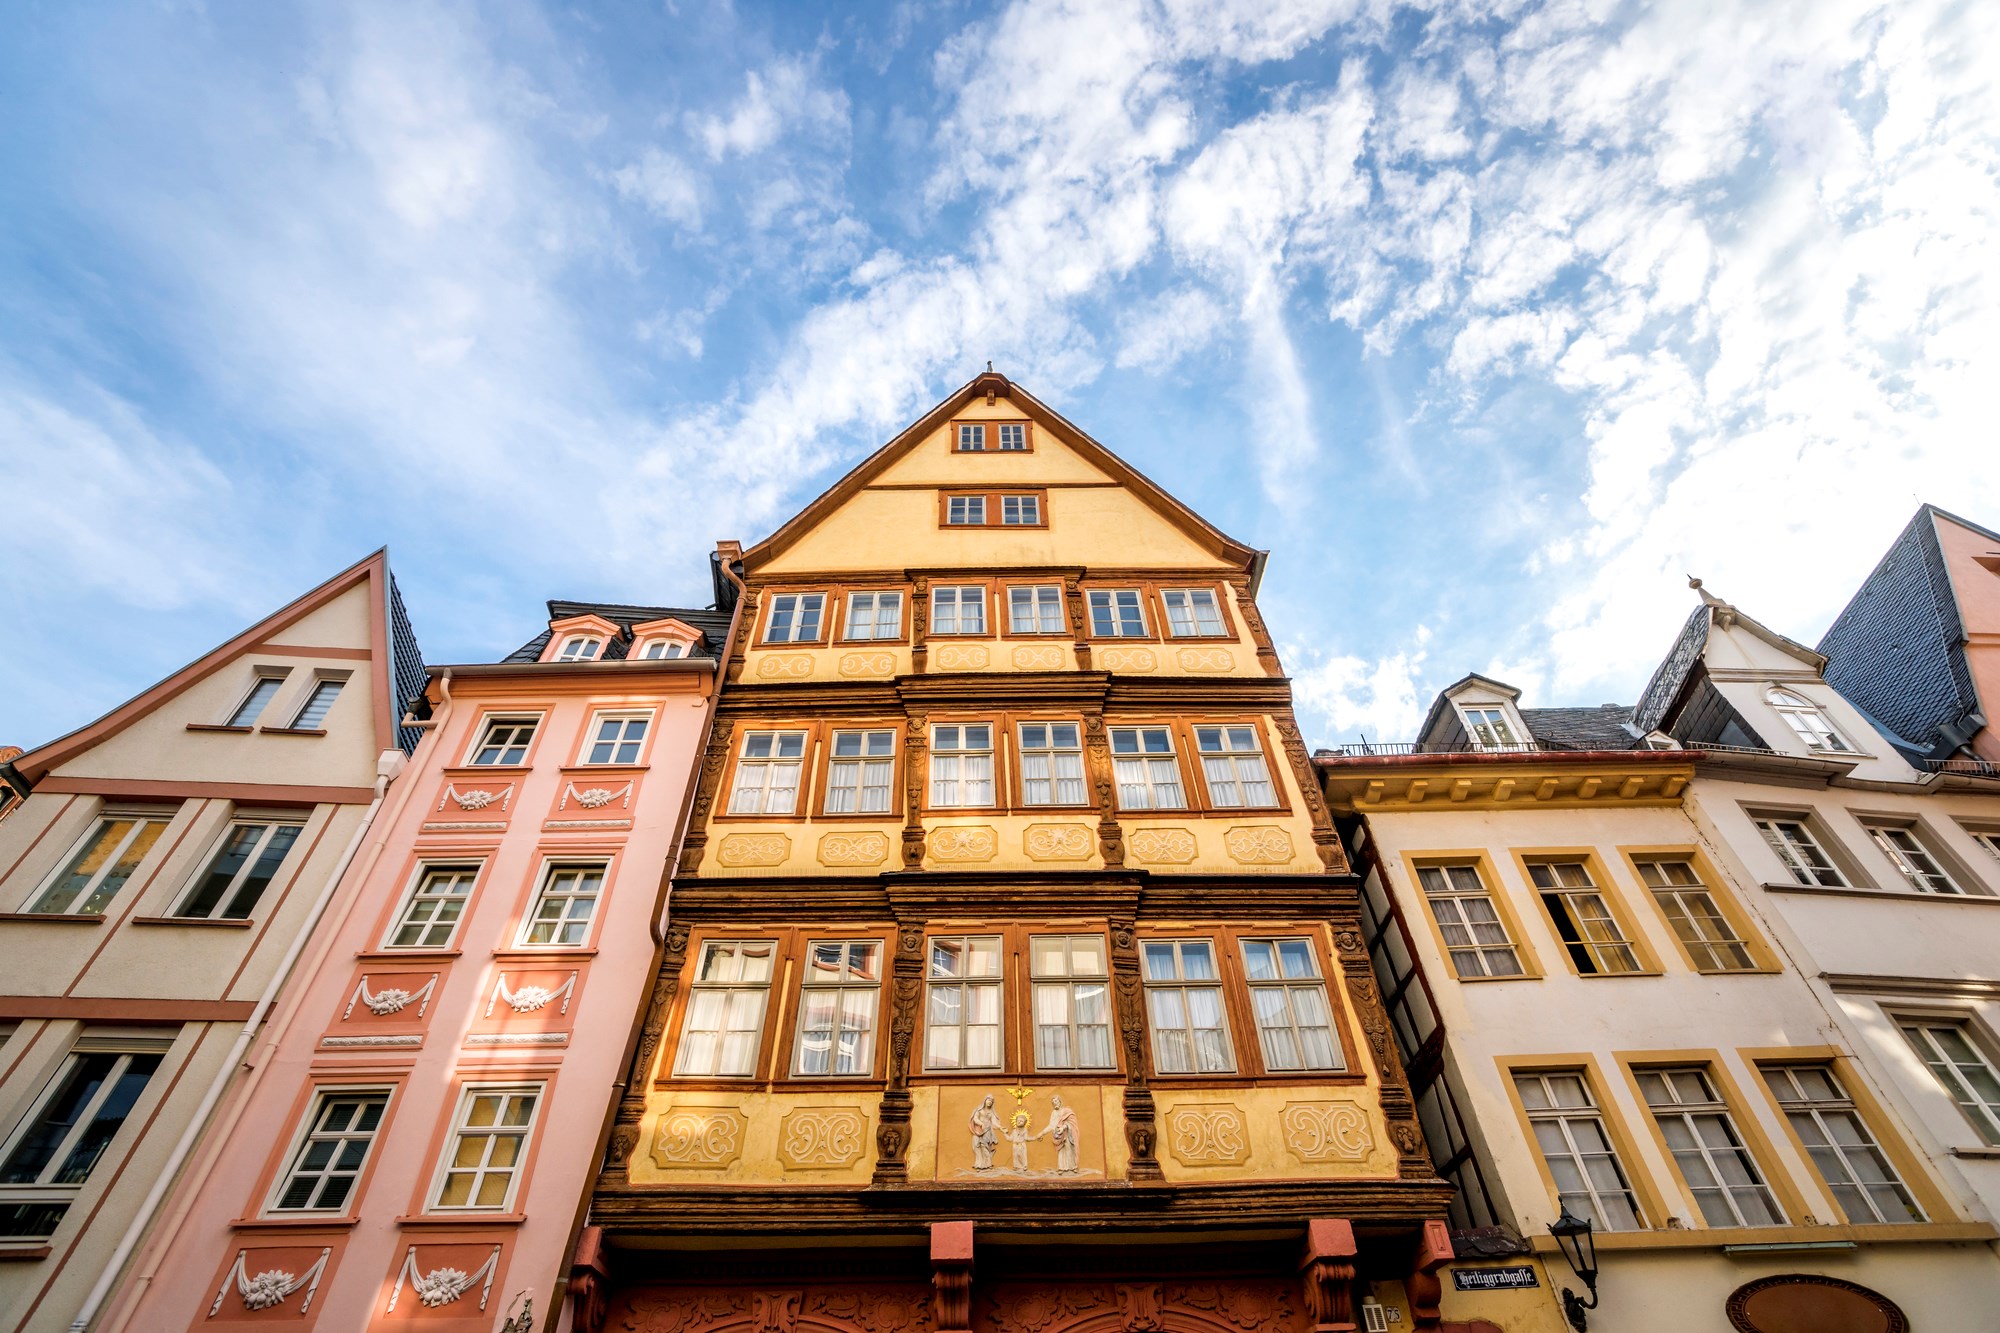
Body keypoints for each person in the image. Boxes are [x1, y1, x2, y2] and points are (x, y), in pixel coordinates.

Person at [1044, 1094, 1079, 1173]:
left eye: (1056, 1101)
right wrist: (1042, 1133)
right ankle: (1062, 1167)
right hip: (1059, 1135)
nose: (1054, 1103)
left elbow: (1072, 1122)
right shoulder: (1054, 1113)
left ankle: (1073, 1166)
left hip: (1068, 1134)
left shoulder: (1066, 1111)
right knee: (1061, 1151)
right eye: (1053, 1102)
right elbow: (1051, 1125)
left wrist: (1064, 1127)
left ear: (1060, 1101)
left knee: (1069, 1149)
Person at [969, 1095, 1001, 1170]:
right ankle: (979, 1165)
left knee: (985, 1147)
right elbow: (975, 1119)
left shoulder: (991, 1112)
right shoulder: (979, 1110)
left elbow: (994, 1122)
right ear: (985, 1101)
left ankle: (987, 1164)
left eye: (991, 1101)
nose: (990, 1102)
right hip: (978, 1131)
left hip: (987, 1132)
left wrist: (1000, 1128)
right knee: (977, 1147)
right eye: (988, 1100)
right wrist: (981, 1123)